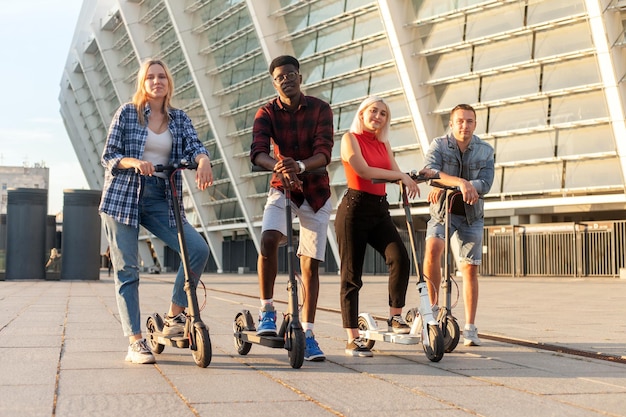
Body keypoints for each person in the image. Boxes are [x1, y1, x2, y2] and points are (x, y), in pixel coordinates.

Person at [99, 59, 213, 364]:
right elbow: (108, 156)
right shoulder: (127, 113)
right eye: (150, 76)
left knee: (198, 250)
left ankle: (174, 316)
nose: (156, 81)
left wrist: (202, 161)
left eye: (162, 76)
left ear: (168, 82)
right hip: (123, 196)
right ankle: (135, 341)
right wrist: (134, 163)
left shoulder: (179, 118)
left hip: (161, 197)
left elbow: (195, 146)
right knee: (127, 269)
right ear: (142, 82)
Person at [250, 55, 334, 362]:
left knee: (310, 265)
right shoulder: (266, 112)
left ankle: (308, 332)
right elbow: (258, 152)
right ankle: (267, 311)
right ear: (274, 82)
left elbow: (324, 152)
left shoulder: (321, 108)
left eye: (291, 74)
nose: (286, 79)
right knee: (268, 240)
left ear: (300, 77)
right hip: (282, 187)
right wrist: (281, 169)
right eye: (280, 77)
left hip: (315, 192)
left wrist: (298, 165)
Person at [335, 96, 421, 357]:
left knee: (400, 258)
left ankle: (395, 317)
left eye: (384, 113)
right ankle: (352, 337)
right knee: (352, 275)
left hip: (379, 210)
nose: (378, 116)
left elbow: (395, 172)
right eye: (374, 111)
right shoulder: (350, 138)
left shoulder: (384, 144)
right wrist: (400, 176)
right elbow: (363, 171)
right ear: (362, 114)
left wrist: (414, 176)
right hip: (354, 209)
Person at [422, 103, 494, 347]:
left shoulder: (485, 150)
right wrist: (460, 183)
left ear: (475, 124)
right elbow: (429, 172)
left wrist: (448, 183)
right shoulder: (439, 145)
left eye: (470, 121)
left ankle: (470, 328)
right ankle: (430, 309)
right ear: (451, 124)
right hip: (442, 213)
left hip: (471, 216)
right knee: (432, 249)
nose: (465, 125)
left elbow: (486, 183)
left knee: (470, 269)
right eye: (460, 121)